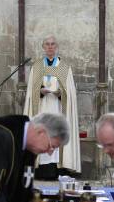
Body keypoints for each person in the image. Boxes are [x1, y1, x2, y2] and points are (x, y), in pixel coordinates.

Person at [23, 35, 80, 179]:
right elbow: (31, 92)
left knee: (55, 135)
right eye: (47, 44)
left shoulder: (64, 67)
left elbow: (71, 94)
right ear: (43, 47)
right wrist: (39, 92)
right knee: (41, 135)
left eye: (53, 44)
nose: (50, 47)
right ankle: (40, 170)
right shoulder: (36, 67)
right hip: (41, 111)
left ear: (57, 47)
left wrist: (61, 94)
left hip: (58, 109)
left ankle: (57, 171)